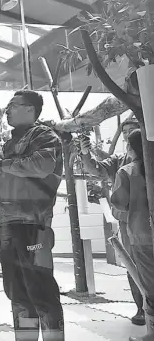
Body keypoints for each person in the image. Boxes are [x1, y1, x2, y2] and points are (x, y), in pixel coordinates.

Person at [0, 90, 64, 341]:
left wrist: (2, 165)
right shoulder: (6, 145)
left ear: (31, 109)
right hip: (4, 224)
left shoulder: (46, 136)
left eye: (13, 105)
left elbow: (42, 165)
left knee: (42, 292)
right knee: (17, 294)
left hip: (33, 225)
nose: (7, 111)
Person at [77, 116, 145, 325]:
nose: (127, 135)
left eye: (132, 130)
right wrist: (86, 152)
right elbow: (96, 170)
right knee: (134, 265)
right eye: (124, 131)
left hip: (139, 220)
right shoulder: (120, 161)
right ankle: (142, 308)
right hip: (130, 223)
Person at [111, 129, 154, 341]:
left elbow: (119, 202)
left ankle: (152, 332)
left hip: (143, 234)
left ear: (132, 148)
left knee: (150, 286)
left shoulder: (127, 171)